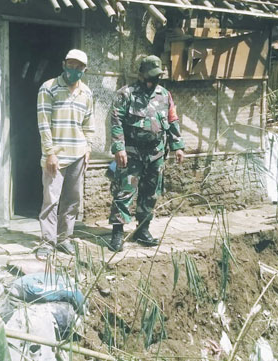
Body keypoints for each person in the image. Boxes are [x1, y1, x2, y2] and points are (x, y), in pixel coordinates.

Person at [107, 55, 185, 252]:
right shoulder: (126, 94)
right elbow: (116, 121)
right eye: (150, 76)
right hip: (131, 153)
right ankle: (117, 233)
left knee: (150, 193)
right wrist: (119, 148)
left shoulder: (165, 95)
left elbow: (172, 120)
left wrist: (178, 146)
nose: (153, 81)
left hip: (156, 153)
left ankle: (143, 230)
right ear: (140, 75)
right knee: (124, 192)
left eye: (157, 77)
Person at [36, 49, 94, 258]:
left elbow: (89, 124)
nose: (74, 70)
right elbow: (43, 124)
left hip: (78, 154)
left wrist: (88, 148)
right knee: (51, 199)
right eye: (71, 65)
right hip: (56, 157)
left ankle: (64, 238)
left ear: (84, 70)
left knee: (72, 200)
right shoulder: (48, 88)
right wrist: (50, 153)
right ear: (63, 64)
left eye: (79, 67)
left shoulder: (87, 93)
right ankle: (47, 242)